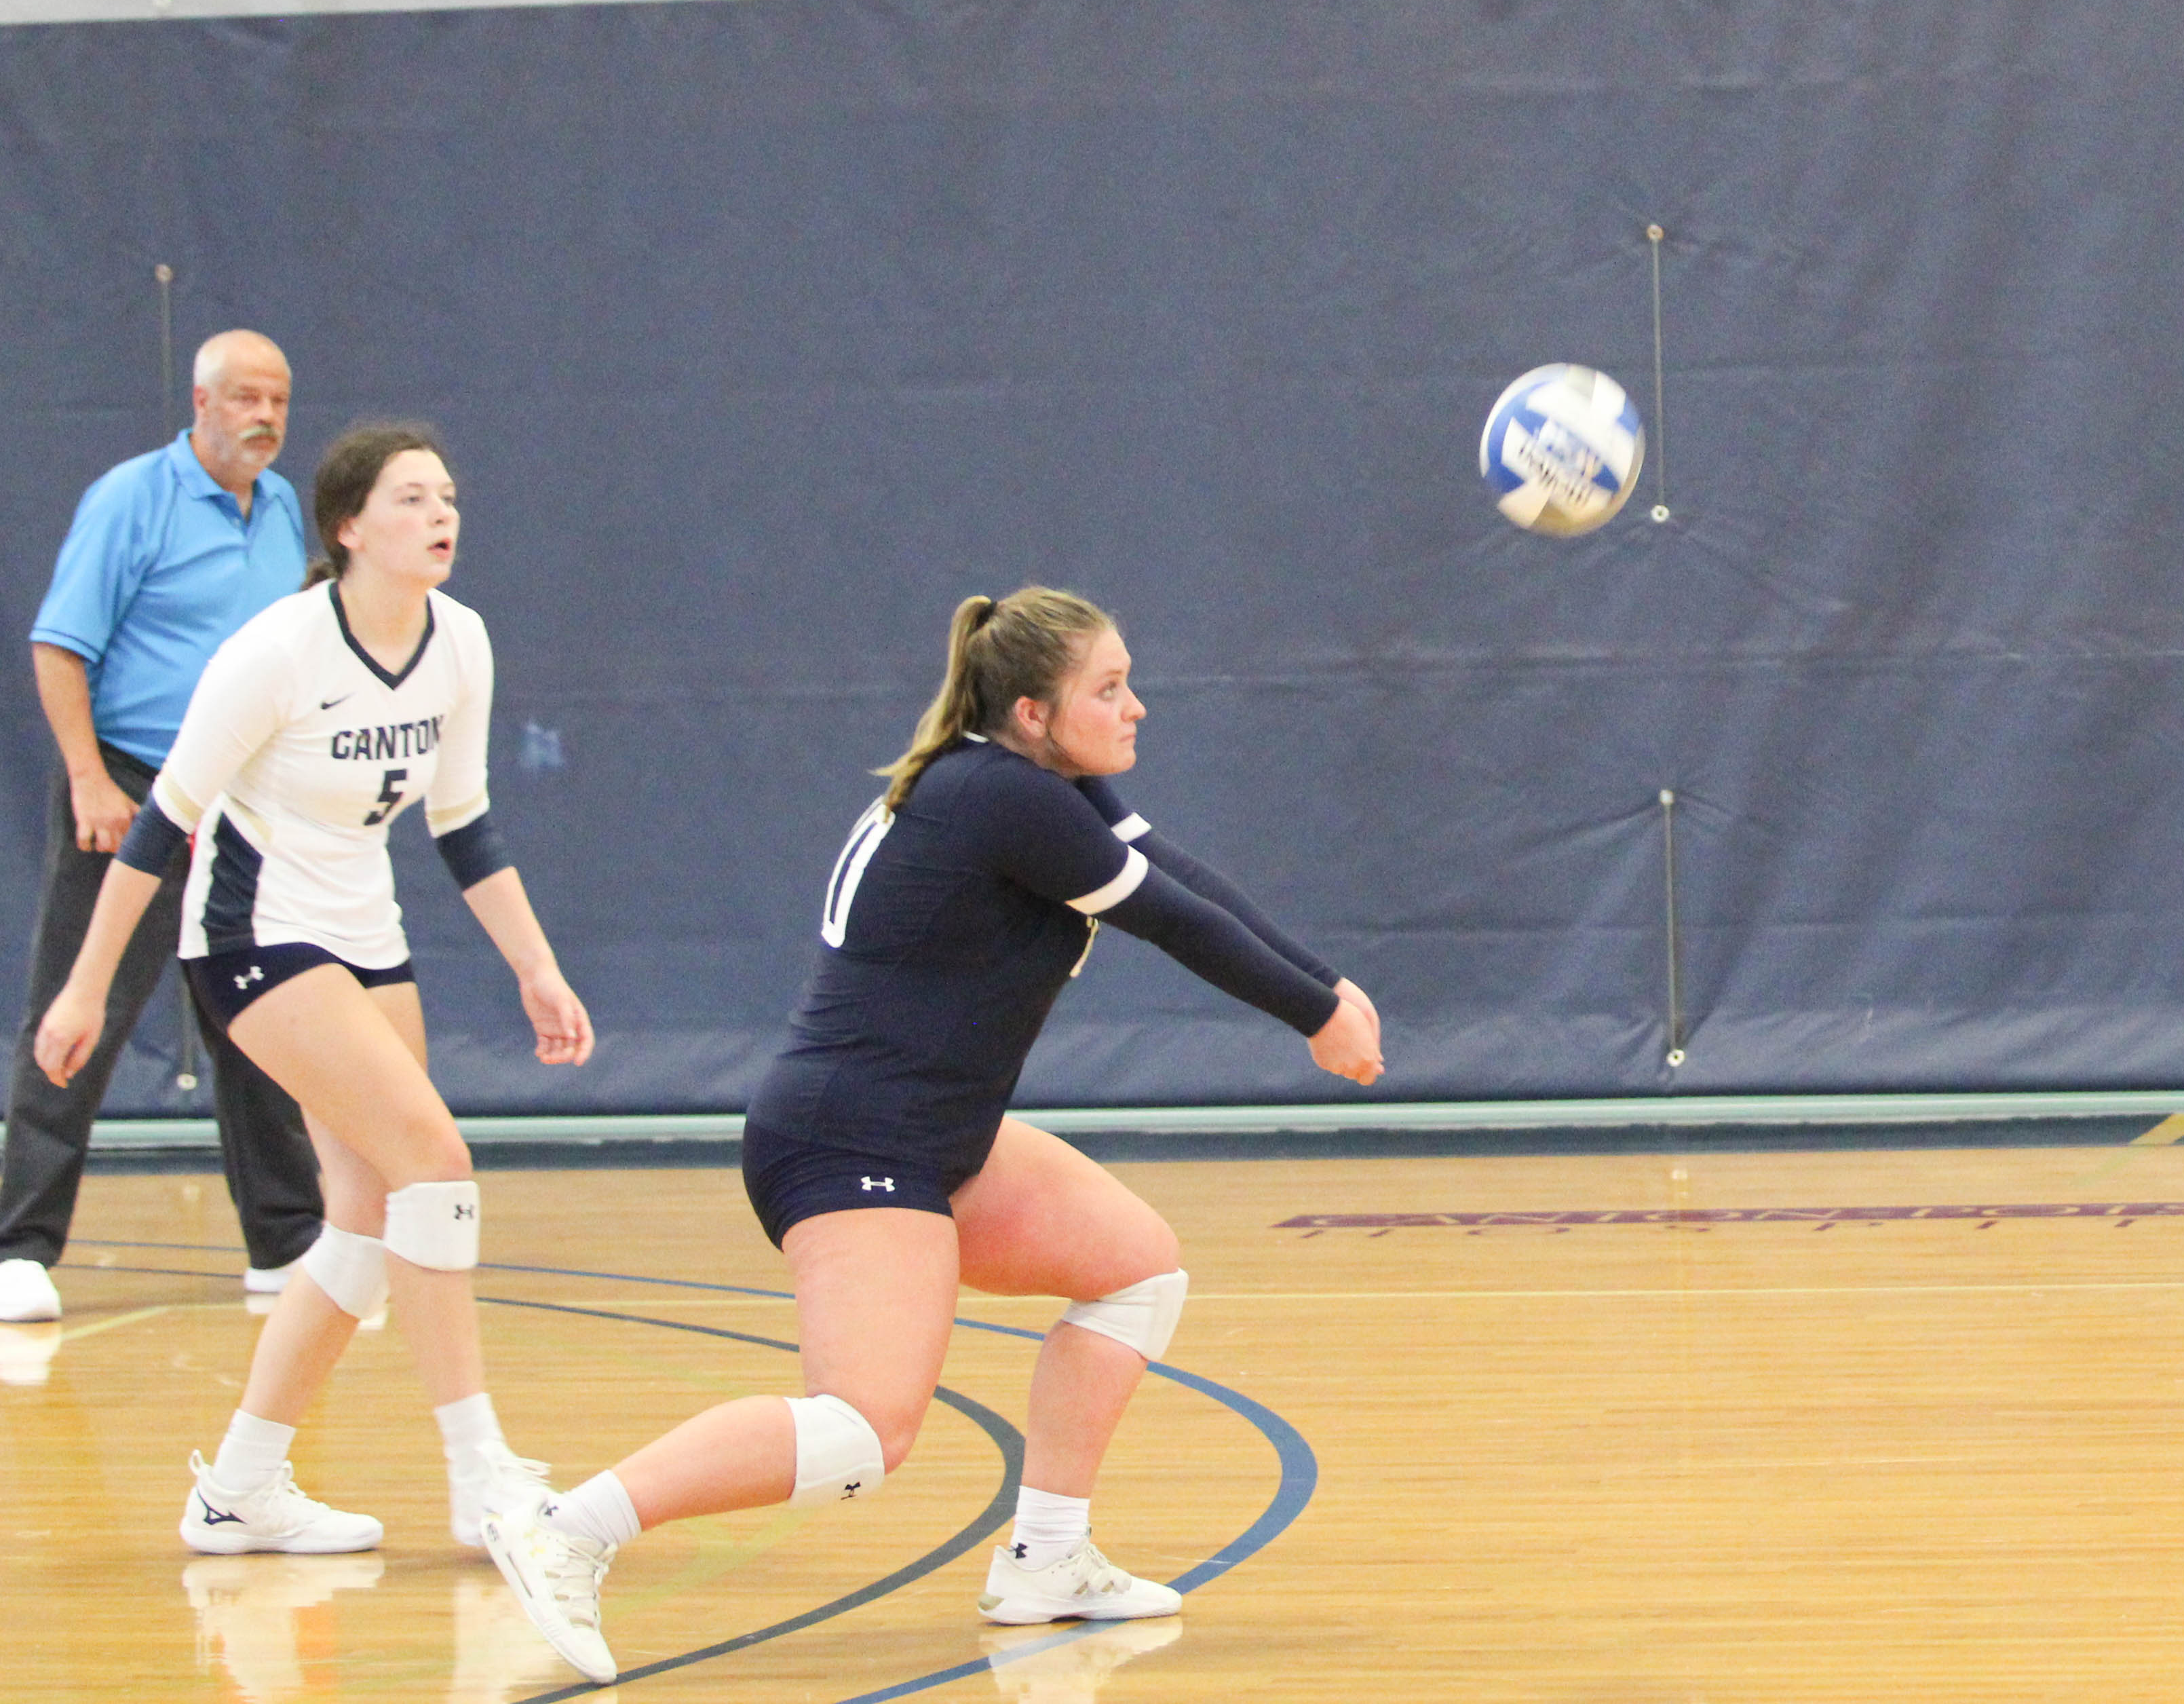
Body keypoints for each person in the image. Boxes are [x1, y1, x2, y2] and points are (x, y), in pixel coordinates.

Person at [483, 586, 1382, 1685]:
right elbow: (1172, 921)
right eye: (1109, 688)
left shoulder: (1037, 783)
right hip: (851, 1139)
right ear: (1033, 712)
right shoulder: (1001, 799)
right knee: (866, 1431)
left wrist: (1329, 984)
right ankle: (570, 1529)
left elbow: (1182, 874)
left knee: (1136, 1268)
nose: (1137, 706)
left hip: (935, 1134)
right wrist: (1314, 1016)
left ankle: (1047, 1559)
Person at [32, 420, 594, 1556]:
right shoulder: (276, 650)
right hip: (250, 934)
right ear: (347, 528)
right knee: (434, 1162)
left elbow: (464, 823)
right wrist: (84, 990)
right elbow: (158, 829)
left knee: (364, 1222)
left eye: (448, 497)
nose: (441, 516)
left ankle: (239, 1487)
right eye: (410, 499)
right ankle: (479, 1472)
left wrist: (536, 965)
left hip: (363, 933)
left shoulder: (461, 642)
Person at [3, 330, 326, 1323]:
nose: (264, 416)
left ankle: (288, 1244)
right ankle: (19, 1244)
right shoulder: (130, 500)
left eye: (277, 398)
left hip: (240, 802)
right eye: (244, 398)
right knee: (78, 1010)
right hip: (134, 789)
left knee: (258, 1019)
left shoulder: (277, 509)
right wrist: (90, 780)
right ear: (200, 400)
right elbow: (61, 645)